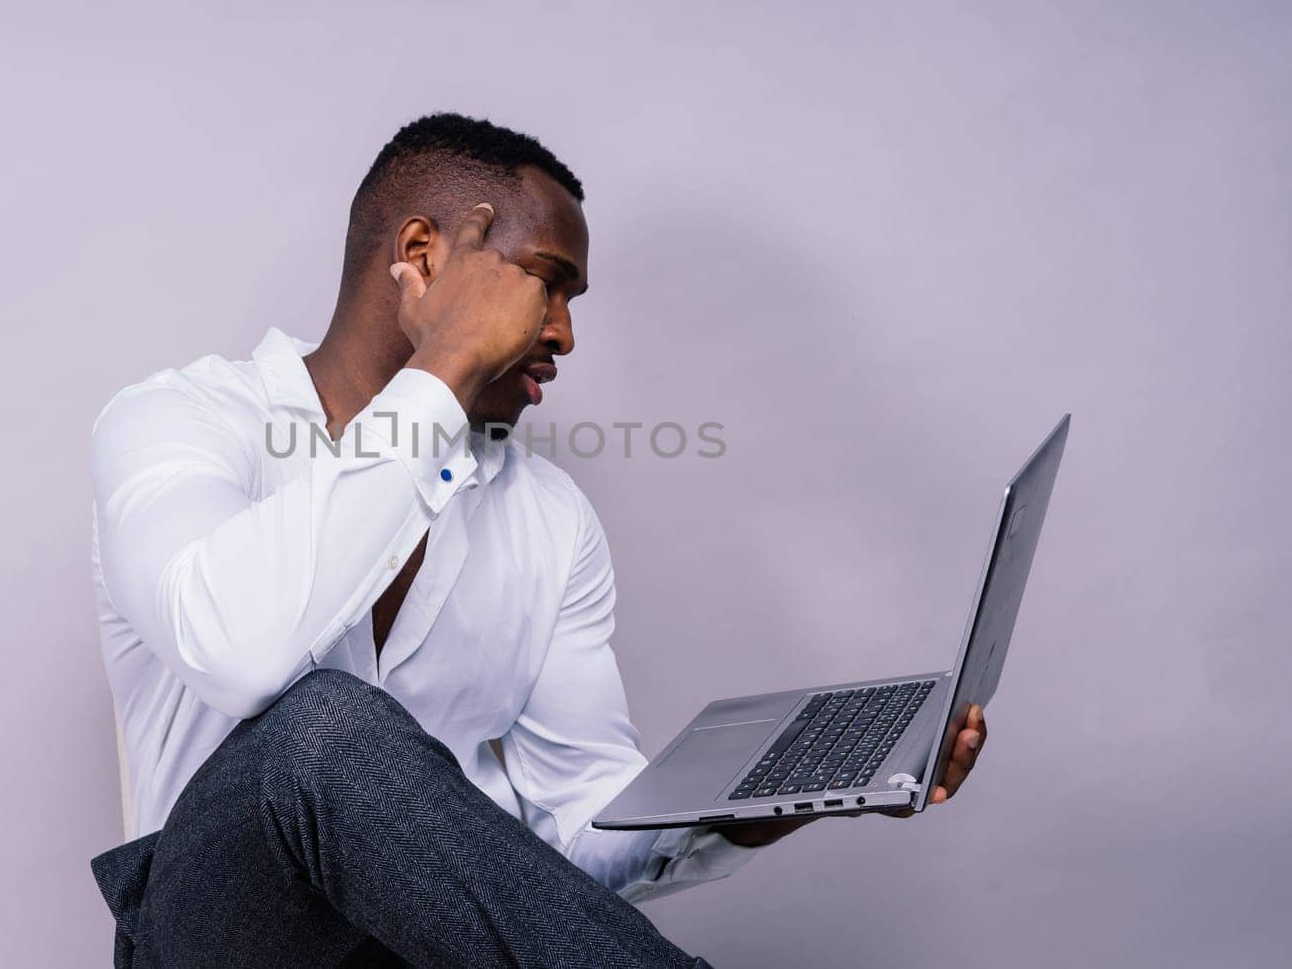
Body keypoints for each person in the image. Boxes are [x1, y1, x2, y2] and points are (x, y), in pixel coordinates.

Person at [88, 113, 989, 967]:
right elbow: (240, 651)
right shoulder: (181, 421)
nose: (562, 331)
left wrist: (768, 800)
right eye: (544, 282)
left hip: (419, 947)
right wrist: (447, 359)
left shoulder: (550, 519)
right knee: (325, 724)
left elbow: (575, 839)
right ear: (420, 256)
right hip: (213, 933)